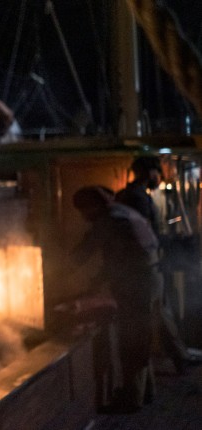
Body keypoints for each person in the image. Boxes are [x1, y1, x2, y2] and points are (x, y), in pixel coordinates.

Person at [71, 186, 160, 412]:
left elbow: (84, 252)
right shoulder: (122, 212)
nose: (83, 216)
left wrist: (55, 271)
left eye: (83, 210)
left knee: (132, 339)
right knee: (141, 336)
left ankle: (131, 400)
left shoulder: (108, 221)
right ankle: (145, 391)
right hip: (150, 277)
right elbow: (119, 257)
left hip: (137, 284)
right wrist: (99, 280)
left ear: (92, 206)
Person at [114, 155, 198, 374]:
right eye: (157, 172)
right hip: (141, 268)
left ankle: (180, 356)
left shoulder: (136, 195)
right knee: (154, 314)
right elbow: (145, 235)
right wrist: (175, 242)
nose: (159, 177)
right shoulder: (137, 198)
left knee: (161, 312)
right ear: (147, 172)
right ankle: (151, 366)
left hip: (143, 266)